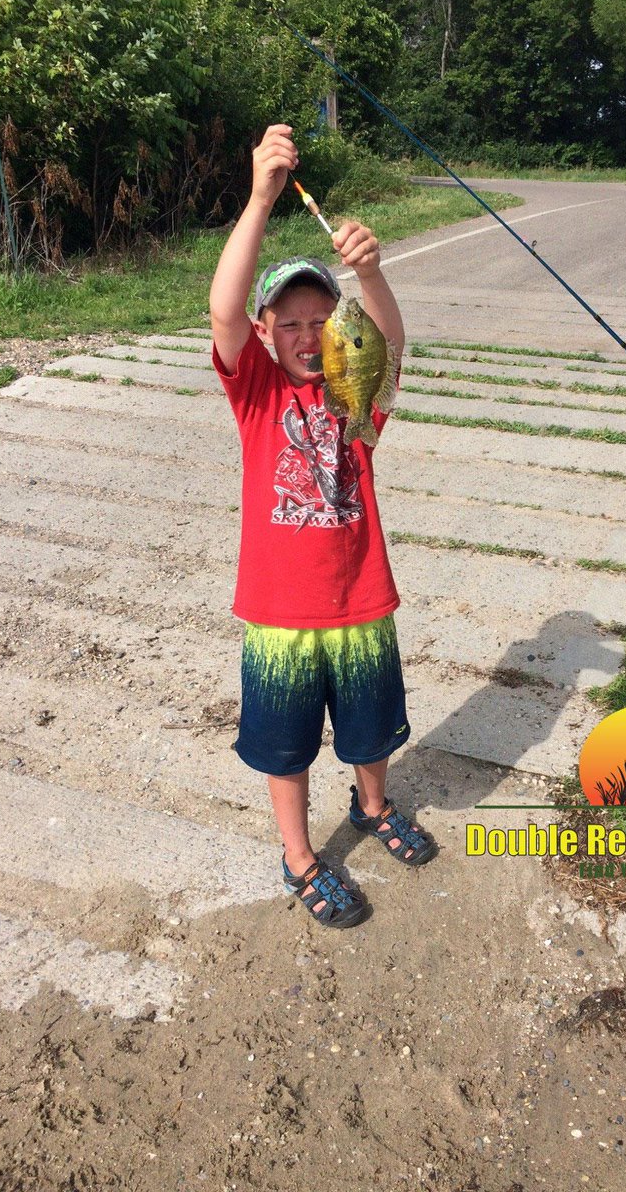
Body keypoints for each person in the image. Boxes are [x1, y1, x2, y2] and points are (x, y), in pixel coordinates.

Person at [209, 123, 435, 926]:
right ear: (266, 334)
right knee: (285, 745)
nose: (308, 337)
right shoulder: (257, 393)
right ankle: (300, 855)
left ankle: (372, 806)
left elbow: (391, 343)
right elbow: (223, 310)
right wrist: (260, 198)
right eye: (290, 323)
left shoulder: (358, 395)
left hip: (362, 599)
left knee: (372, 730)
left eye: (322, 321)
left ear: (341, 330)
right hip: (279, 613)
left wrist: (370, 274)